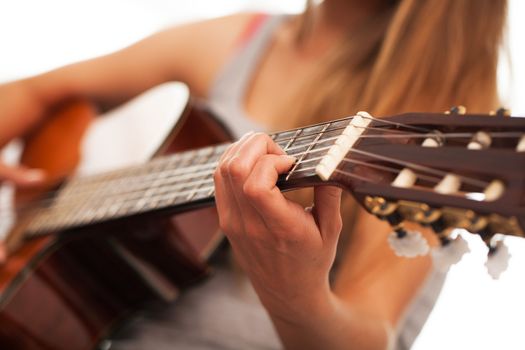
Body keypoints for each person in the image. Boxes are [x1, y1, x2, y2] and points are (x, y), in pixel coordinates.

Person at [0, 0, 507, 348]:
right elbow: (29, 93)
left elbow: (373, 333)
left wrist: (295, 294)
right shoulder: (240, 38)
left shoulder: (436, 119)